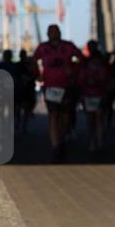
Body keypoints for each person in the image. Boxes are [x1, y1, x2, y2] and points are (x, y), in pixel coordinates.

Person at [32, 24, 83, 162]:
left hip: (66, 86)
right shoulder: (43, 48)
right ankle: (56, 146)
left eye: (56, 32)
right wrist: (38, 74)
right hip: (50, 86)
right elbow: (34, 60)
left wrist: (73, 70)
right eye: (51, 32)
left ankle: (63, 137)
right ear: (47, 34)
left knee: (66, 118)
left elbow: (81, 58)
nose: (53, 34)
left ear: (60, 33)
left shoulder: (68, 46)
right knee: (53, 115)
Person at [78, 40, 111, 153]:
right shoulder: (86, 62)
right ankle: (94, 140)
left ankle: (98, 140)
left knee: (97, 118)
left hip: (98, 93)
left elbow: (107, 76)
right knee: (92, 118)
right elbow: (81, 78)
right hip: (89, 93)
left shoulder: (101, 61)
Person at [17, 49, 36, 134]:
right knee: (21, 109)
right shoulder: (22, 65)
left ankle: (21, 124)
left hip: (25, 90)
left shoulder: (28, 65)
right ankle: (21, 125)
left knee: (23, 108)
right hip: (22, 90)